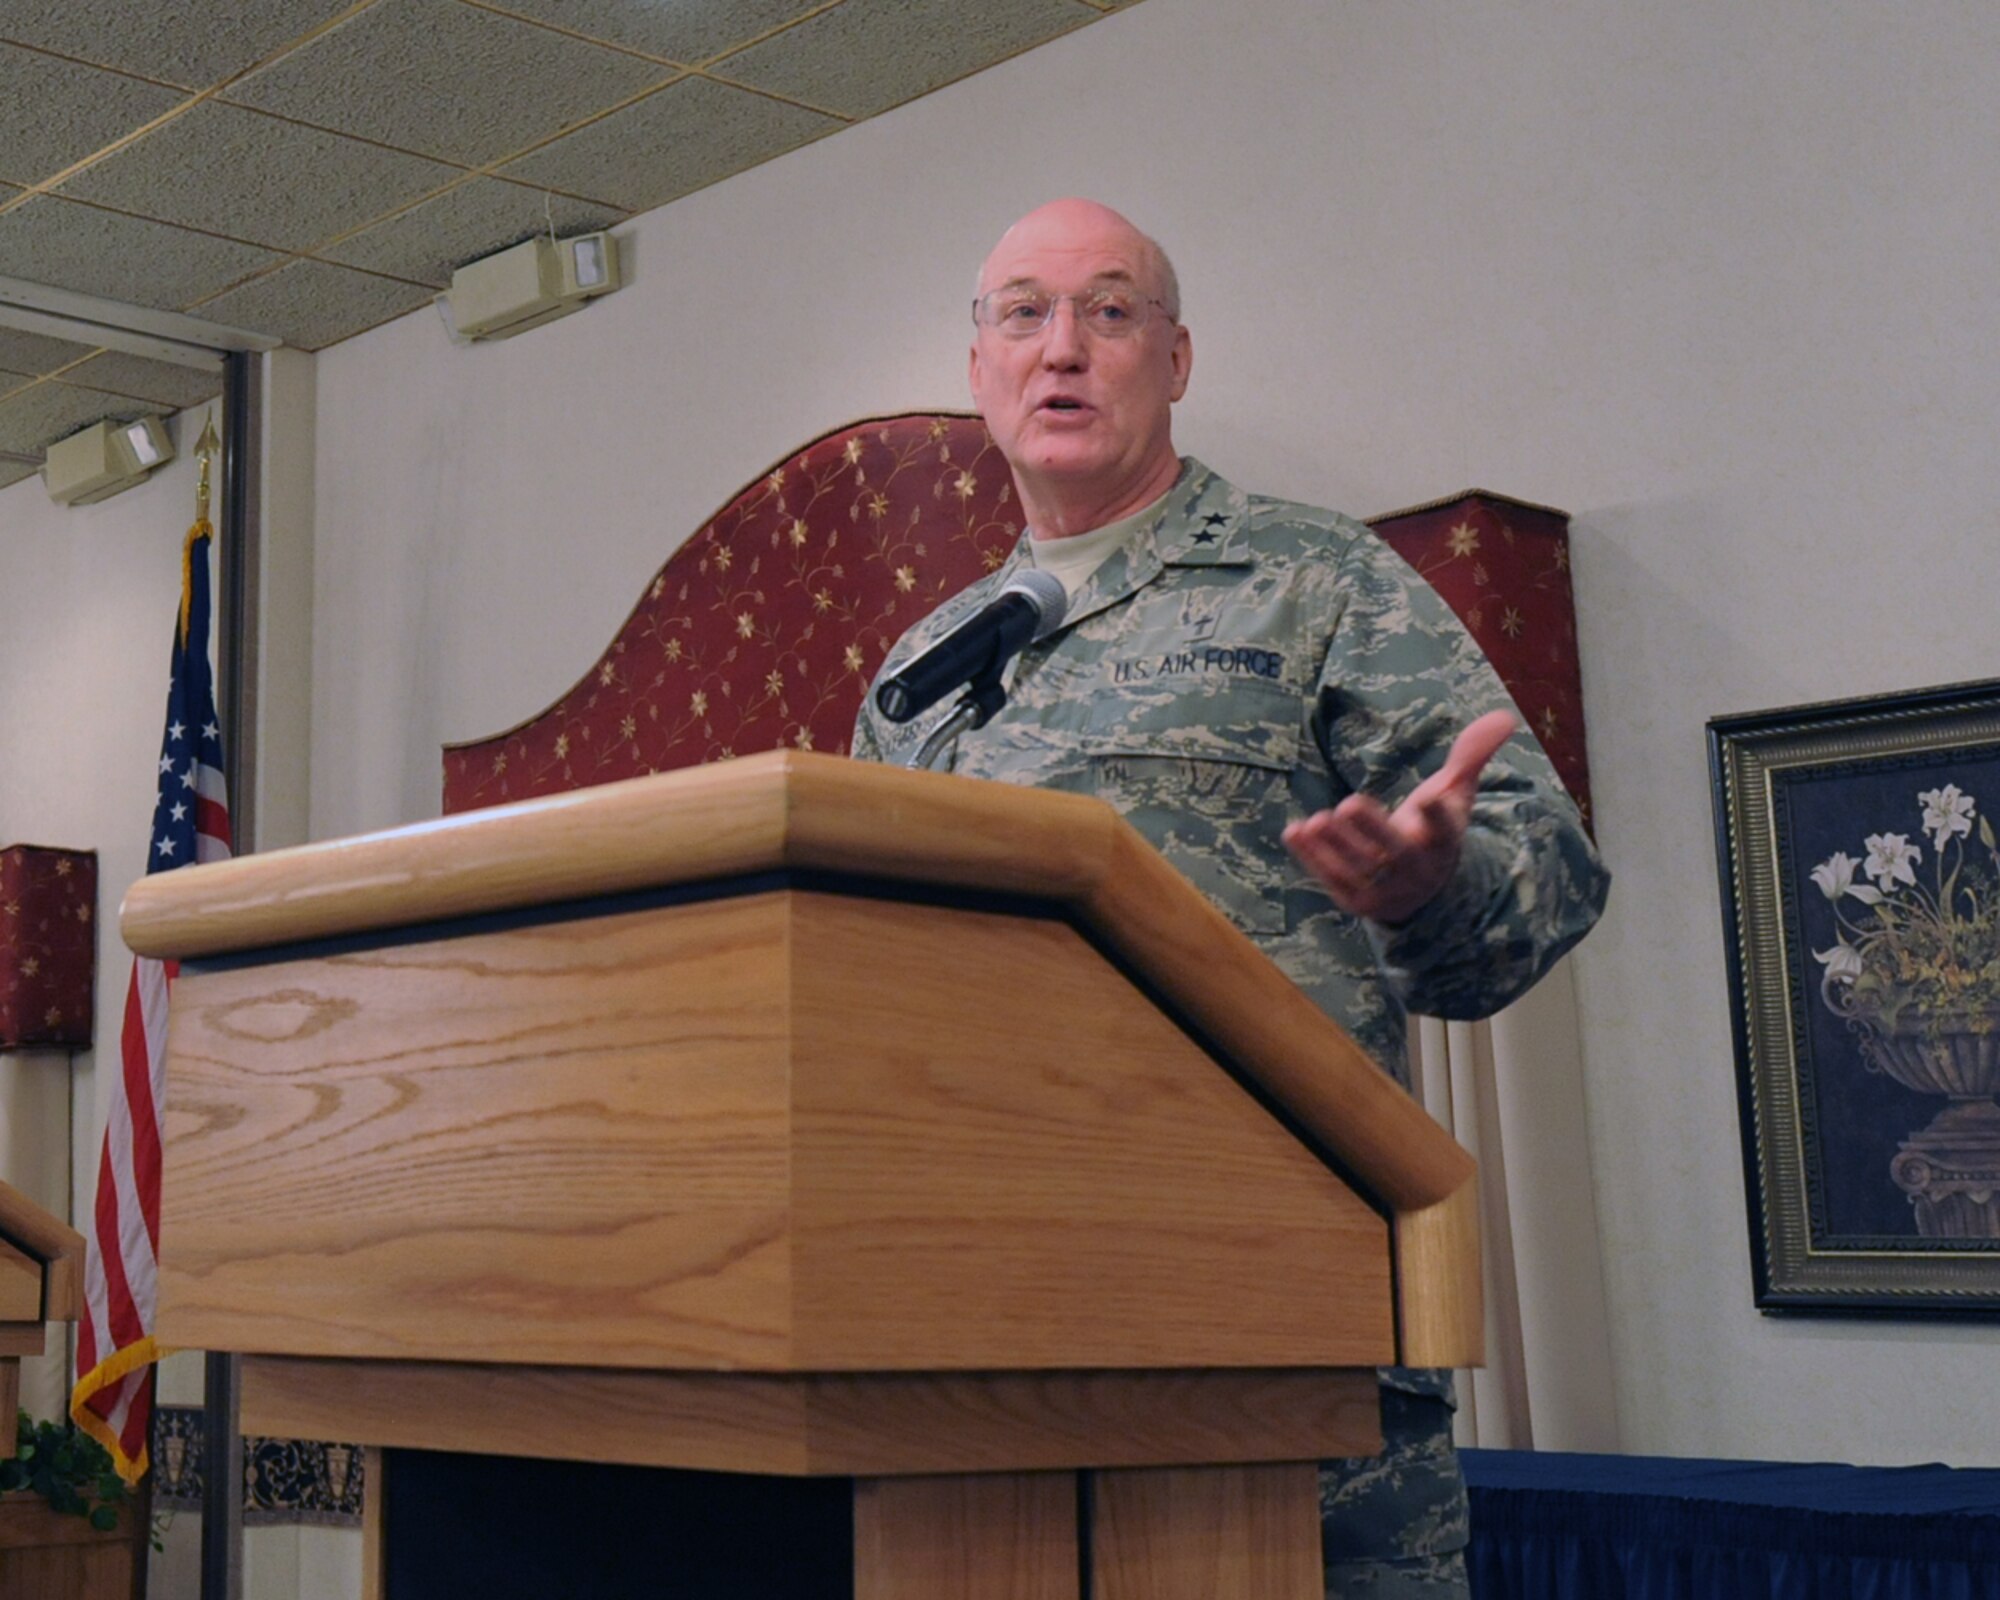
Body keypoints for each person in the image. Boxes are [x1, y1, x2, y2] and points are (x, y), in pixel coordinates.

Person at [852, 198, 1610, 1597]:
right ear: (978, 370)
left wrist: (1430, 886)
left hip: (1286, 1345)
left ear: (1177, 358)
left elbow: (1546, 867)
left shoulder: (1314, 583)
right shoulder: (923, 671)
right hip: (979, 1364)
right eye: (1023, 314)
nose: (1063, 348)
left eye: (1111, 310)